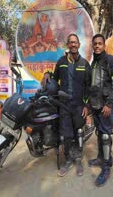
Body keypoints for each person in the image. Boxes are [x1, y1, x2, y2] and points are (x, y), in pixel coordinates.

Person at [42, 33, 91, 177]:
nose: (73, 44)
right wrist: (47, 73)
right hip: (64, 105)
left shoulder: (84, 64)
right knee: (67, 136)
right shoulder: (61, 61)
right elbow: (54, 77)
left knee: (79, 133)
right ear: (67, 45)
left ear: (79, 45)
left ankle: (78, 160)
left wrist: (86, 106)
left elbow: (89, 87)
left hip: (78, 105)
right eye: (70, 42)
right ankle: (68, 160)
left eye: (75, 42)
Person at [88, 34, 113, 187]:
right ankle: (101, 158)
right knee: (100, 134)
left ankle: (106, 167)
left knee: (106, 136)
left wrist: (109, 104)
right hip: (96, 105)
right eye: (95, 44)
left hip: (106, 106)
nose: (97, 46)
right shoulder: (93, 64)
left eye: (99, 43)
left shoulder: (111, 61)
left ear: (104, 45)